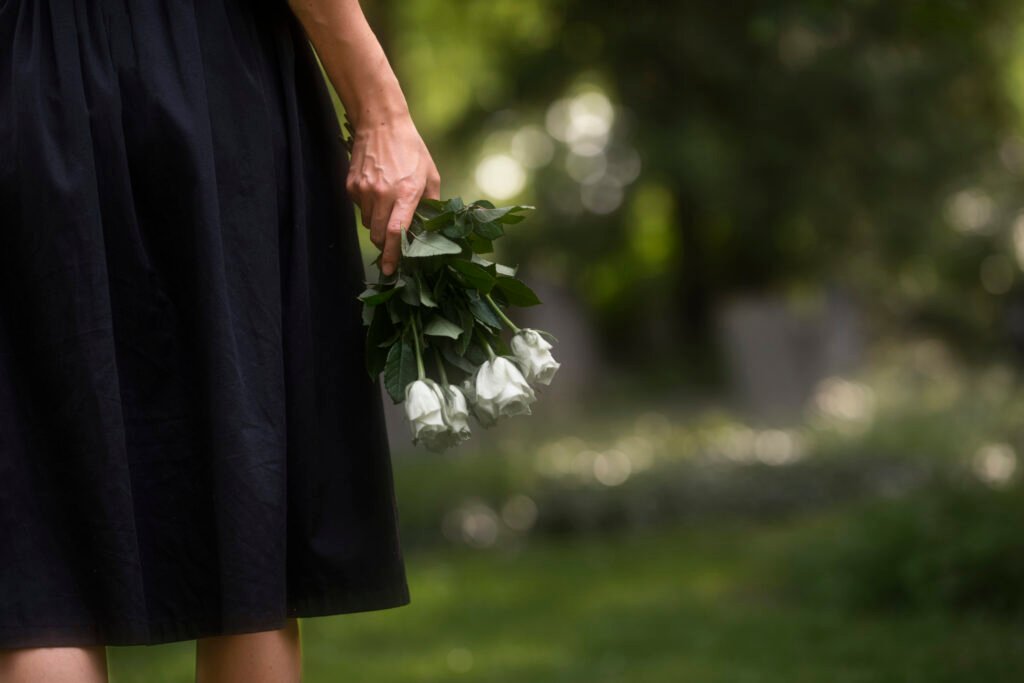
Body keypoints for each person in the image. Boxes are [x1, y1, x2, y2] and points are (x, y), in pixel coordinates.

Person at [0, 0, 439, 681]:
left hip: (21, 72)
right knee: (246, 504)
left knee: (37, 554)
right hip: (207, 68)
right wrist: (379, 108)